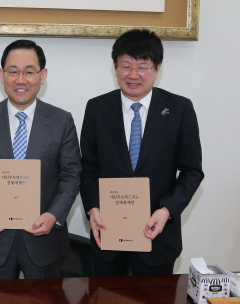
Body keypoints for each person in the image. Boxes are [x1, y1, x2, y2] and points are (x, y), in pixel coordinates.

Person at [80, 29, 204, 276]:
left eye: (143, 67)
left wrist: (167, 210)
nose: (133, 75)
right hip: (108, 235)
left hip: (157, 235)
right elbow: (88, 168)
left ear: (157, 69)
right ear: (115, 67)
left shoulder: (179, 109)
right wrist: (92, 207)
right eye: (126, 66)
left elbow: (192, 171)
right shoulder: (97, 108)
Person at [0, 39, 81, 279]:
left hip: (44, 241)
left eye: (29, 72)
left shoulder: (61, 121)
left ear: (42, 75)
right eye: (13, 71)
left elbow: (72, 174)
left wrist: (54, 214)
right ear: (1, 75)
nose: (20, 80)